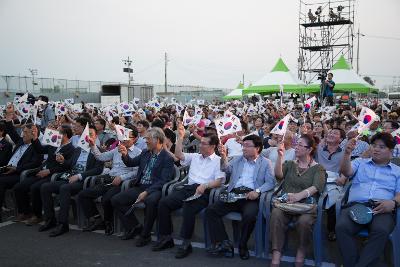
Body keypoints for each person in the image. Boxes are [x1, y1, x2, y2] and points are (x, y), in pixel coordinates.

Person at [152, 126, 223, 258]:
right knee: (163, 203)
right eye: (200, 142)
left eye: (203, 143)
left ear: (213, 146)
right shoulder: (195, 156)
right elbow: (179, 155)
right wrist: (180, 137)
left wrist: (205, 185)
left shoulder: (219, 161)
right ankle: (167, 237)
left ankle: (186, 243)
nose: (200, 145)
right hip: (188, 188)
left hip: (204, 191)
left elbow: (219, 181)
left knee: (188, 207)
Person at [206, 134, 276, 260]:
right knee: (211, 211)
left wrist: (258, 191)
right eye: (243, 146)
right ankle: (225, 242)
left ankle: (243, 244)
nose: (244, 148)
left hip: (251, 196)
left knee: (249, 215)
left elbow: (271, 182)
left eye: (247, 146)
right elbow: (225, 169)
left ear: (258, 148)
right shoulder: (238, 159)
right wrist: (223, 157)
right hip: (234, 194)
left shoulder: (266, 163)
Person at [337, 132, 400, 267]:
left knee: (381, 230)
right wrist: (347, 153)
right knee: (342, 227)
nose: (376, 149)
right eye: (374, 145)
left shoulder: (397, 171)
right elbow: (346, 171)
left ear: (391, 151)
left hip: (381, 208)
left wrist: (393, 203)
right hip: (356, 206)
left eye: (381, 147)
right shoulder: (360, 162)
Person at [111, 128, 175, 247]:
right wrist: (125, 154)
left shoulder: (167, 158)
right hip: (141, 186)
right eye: (145, 139)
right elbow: (131, 163)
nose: (145, 141)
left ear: (157, 140)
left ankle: (145, 235)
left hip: (155, 189)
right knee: (116, 200)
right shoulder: (145, 152)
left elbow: (163, 181)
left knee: (151, 202)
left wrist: (146, 192)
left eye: (148, 139)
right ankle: (134, 226)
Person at [270, 134, 326, 267]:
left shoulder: (318, 168)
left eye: (300, 145)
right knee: (276, 214)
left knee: (304, 222)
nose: (296, 147)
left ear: (309, 149)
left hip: (305, 206)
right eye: (297, 144)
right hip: (286, 204)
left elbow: (317, 186)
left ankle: (301, 250)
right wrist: (280, 156)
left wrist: (299, 196)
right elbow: (278, 175)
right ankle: (276, 252)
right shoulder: (289, 164)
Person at [39, 125, 104, 237]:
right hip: (70, 177)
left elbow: (98, 170)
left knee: (64, 188)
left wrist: (79, 176)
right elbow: (69, 165)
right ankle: (50, 219)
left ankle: (63, 224)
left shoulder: (99, 151)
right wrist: (63, 161)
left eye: (91, 135)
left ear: (96, 136)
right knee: (45, 187)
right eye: (86, 135)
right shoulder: (78, 149)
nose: (88, 138)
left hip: (83, 181)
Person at [77, 125, 141, 235]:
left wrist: (121, 178)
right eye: (123, 135)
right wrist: (93, 146)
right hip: (109, 179)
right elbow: (101, 157)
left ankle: (108, 222)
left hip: (123, 182)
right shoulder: (117, 149)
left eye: (128, 136)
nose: (124, 139)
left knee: (106, 199)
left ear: (134, 139)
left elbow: (136, 172)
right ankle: (97, 219)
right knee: (83, 194)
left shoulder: (138, 152)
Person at [13, 124, 75, 226]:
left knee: (35, 188)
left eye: (58, 131)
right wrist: (35, 137)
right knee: (19, 187)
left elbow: (67, 167)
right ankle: (25, 212)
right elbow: (40, 150)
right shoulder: (54, 144)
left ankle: (37, 215)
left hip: (53, 174)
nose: (55, 133)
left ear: (65, 135)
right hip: (42, 171)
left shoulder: (71, 149)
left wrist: (49, 171)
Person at [0, 121, 43, 222]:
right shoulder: (20, 142)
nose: (23, 134)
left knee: (1, 182)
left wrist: (16, 168)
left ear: (33, 134)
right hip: (7, 170)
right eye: (23, 131)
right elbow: (11, 131)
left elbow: (35, 164)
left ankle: (24, 212)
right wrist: (9, 119)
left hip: (19, 173)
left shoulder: (36, 147)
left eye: (26, 132)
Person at [315, 128, 347, 241]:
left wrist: (343, 177)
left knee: (334, 201)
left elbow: (347, 170)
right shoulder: (318, 149)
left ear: (341, 139)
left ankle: (331, 230)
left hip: (335, 182)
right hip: (317, 179)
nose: (331, 134)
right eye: (330, 132)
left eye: (335, 133)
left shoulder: (345, 153)